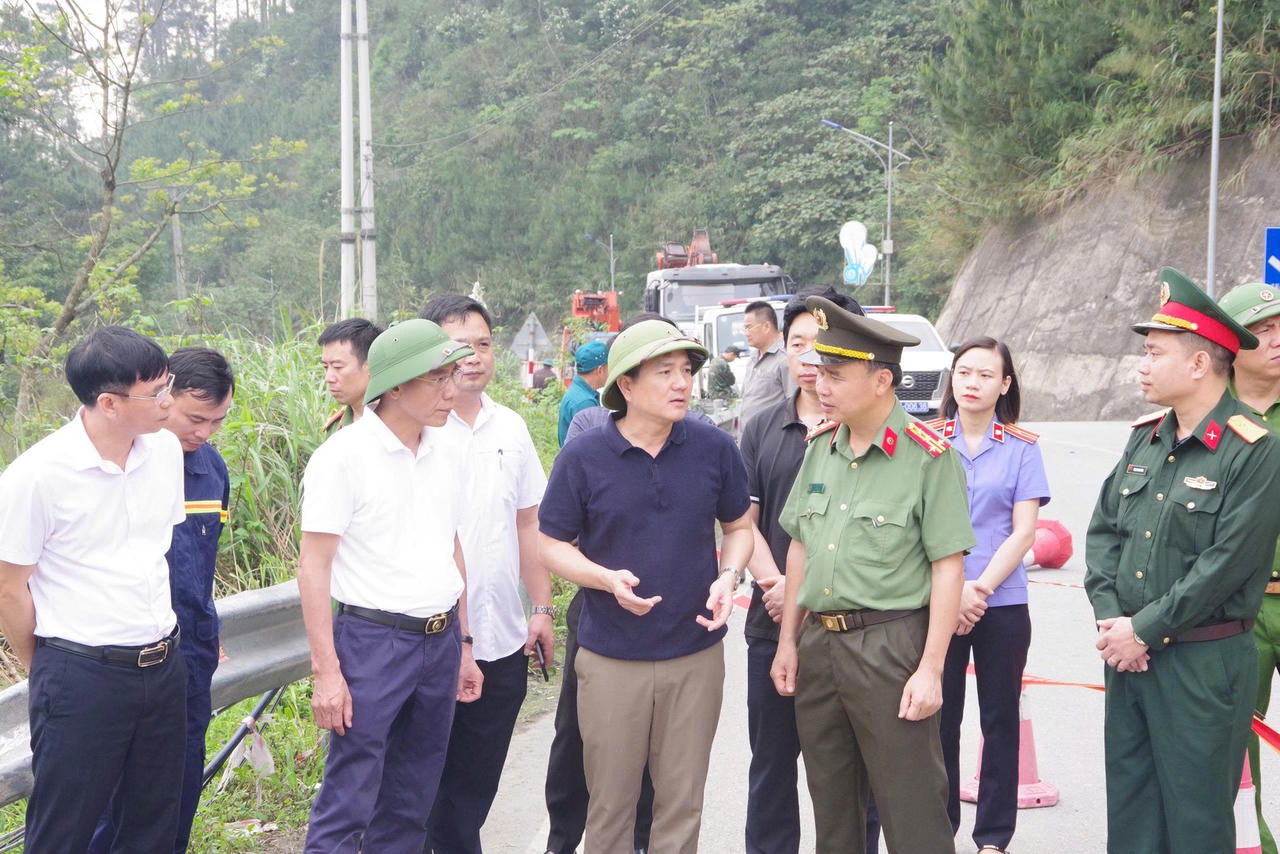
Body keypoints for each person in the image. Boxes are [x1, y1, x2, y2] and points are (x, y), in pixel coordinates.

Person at [1084, 267, 1280, 854]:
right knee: (1134, 814)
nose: (1141, 365)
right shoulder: (1144, 438)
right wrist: (1113, 621)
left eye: (1153, 353)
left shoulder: (1253, 450)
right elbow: (1103, 536)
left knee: (1198, 823)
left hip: (1203, 662)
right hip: (1129, 661)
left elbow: (1228, 564)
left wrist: (1144, 629)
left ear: (1199, 365)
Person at [539, 320, 753, 854]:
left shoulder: (712, 447)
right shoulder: (584, 456)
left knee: (681, 804)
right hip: (611, 657)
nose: (681, 383)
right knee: (610, 804)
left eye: (686, 371)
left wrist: (730, 574)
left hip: (695, 653)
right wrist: (605, 580)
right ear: (626, 386)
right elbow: (551, 543)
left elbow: (739, 527)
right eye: (665, 372)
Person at [770, 296, 975, 853]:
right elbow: (799, 548)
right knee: (832, 812)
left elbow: (948, 566)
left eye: (835, 374)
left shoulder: (928, 456)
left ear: (882, 380)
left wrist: (932, 669)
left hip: (890, 646)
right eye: (819, 371)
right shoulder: (821, 449)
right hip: (820, 648)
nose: (821, 384)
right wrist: (789, 640)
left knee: (913, 812)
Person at [298, 319, 484, 853]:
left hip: (439, 638)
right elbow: (314, 568)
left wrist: (464, 644)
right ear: (396, 386)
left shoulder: (450, 449)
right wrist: (327, 672)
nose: (453, 390)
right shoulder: (343, 458)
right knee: (349, 797)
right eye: (438, 379)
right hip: (372, 642)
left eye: (454, 375)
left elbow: (451, 548)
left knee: (411, 799)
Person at [0, 326, 188, 852]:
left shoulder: (166, 452)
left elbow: (156, 553)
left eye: (166, 383)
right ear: (109, 403)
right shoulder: (35, 477)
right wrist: (55, 670)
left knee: (152, 822)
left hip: (162, 664)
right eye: (156, 392)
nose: (168, 400)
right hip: (81, 672)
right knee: (66, 827)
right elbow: (9, 589)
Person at [740, 290, 885, 854]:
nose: (809, 358)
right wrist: (779, 587)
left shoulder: (873, 436)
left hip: (855, 631)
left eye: (822, 347)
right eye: (798, 343)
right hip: (769, 623)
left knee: (856, 773)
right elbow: (740, 523)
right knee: (772, 765)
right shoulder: (759, 430)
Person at [418, 295, 553, 854]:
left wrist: (542, 610)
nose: (472, 356)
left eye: (482, 343)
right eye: (458, 345)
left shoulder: (512, 427)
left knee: (476, 783)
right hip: (431, 638)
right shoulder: (417, 429)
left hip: (501, 636)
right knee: (429, 785)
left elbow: (529, 526)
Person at [88, 347, 237, 854]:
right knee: (121, 797)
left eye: (218, 421)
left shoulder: (211, 469)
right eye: (196, 418)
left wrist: (206, 630)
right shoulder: (115, 466)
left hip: (190, 653)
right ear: (162, 396)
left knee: (179, 787)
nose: (204, 432)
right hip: (125, 658)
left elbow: (204, 561)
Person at [928, 338, 1050, 854]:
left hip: (1000, 602)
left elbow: (1024, 532)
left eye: (984, 375)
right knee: (940, 721)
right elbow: (920, 526)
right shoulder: (926, 440)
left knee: (999, 721)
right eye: (963, 372)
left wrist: (977, 588)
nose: (972, 382)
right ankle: (940, 831)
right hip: (937, 604)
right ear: (952, 380)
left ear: (1004, 385)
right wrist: (954, 593)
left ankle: (993, 839)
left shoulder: (1022, 446)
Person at [1219, 282, 1280, 854]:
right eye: (1264, 331)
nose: (1278, 340)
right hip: (1237, 606)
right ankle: (1255, 844)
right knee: (1236, 738)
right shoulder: (1205, 415)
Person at [319, 317, 382, 433]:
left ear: (371, 365)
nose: (328, 378)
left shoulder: (400, 423)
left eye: (338, 367)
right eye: (325, 367)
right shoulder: (336, 427)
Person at [740, 300, 791, 426]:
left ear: (766, 326)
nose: (746, 333)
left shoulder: (784, 359)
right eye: (744, 328)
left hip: (771, 436)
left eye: (749, 327)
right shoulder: (753, 358)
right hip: (747, 436)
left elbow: (793, 404)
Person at [557, 340, 609, 446]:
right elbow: (596, 446)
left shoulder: (577, 393)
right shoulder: (585, 403)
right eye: (609, 367)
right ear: (600, 370)